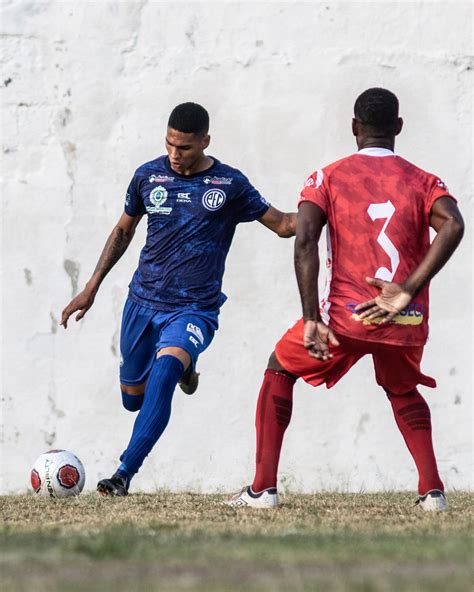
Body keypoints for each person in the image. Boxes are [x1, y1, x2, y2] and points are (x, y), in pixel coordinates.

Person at [226, 88, 464, 511]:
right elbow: (454, 225)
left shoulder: (328, 177)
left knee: (278, 369)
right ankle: (432, 492)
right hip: (405, 317)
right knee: (403, 388)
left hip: (348, 317)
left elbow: (305, 241)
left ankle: (263, 489)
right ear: (399, 128)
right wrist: (408, 290)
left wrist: (311, 316)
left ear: (355, 128)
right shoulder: (424, 181)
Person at [61, 102, 296, 496]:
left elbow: (284, 225)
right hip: (142, 303)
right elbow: (122, 232)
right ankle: (186, 368)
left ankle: (122, 475)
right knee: (132, 402)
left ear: (205, 142)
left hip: (194, 309)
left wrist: (327, 205)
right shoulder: (147, 176)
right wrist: (91, 288)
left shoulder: (229, 185)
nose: (175, 154)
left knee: (165, 372)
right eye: (170, 144)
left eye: (184, 147)